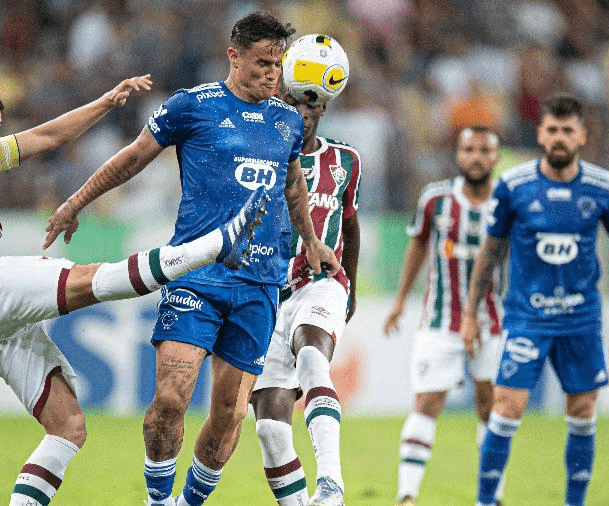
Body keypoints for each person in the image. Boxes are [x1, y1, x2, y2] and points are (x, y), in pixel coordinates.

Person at [0, 76, 268, 506]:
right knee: (92, 280)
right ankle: (214, 245)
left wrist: (104, 102)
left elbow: (45, 136)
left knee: (68, 426)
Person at [44, 11, 341, 506]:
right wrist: (76, 202)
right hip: (195, 276)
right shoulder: (193, 106)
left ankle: (189, 502)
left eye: (279, 64)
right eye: (264, 63)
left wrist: (310, 240)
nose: (274, 74)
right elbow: (133, 157)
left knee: (228, 416)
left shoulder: (286, 120)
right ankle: (158, 498)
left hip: (259, 285)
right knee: (168, 400)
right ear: (233, 55)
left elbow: (294, 185)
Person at [461, 95, 609, 506]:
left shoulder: (603, 186)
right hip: (526, 317)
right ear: (540, 134)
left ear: (582, 137)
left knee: (582, 413)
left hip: (581, 319)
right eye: (552, 130)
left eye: (567, 131)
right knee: (506, 408)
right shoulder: (514, 186)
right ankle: (485, 502)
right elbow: (490, 251)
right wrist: (470, 314)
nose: (559, 138)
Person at [248, 52, 361, 506]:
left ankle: (331, 483)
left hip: (321, 283)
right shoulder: (255, 160)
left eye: (310, 104)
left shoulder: (346, 160)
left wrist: (347, 284)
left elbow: (351, 223)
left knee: (313, 355)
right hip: (267, 295)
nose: (302, 112)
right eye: (293, 102)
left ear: (322, 108)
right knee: (271, 428)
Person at [383, 126, 505, 506]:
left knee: (491, 408)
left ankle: (492, 497)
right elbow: (418, 245)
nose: (476, 157)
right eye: (469, 149)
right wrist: (401, 299)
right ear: (458, 154)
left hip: (493, 321)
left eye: (484, 150)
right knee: (427, 403)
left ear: (495, 158)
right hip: (439, 320)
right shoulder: (435, 199)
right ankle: (407, 496)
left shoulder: (508, 203)